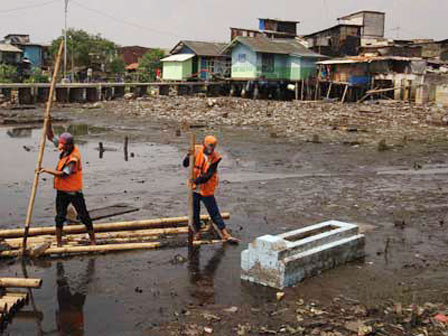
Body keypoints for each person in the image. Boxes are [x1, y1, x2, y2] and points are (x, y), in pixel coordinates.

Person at [39, 122, 96, 247]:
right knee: (59, 217)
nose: (61, 147)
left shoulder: (73, 158)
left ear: (70, 145)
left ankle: (93, 241)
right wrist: (48, 121)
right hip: (62, 191)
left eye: (64, 145)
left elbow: (64, 174)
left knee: (84, 216)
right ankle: (59, 243)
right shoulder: (65, 149)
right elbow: (50, 136)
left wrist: (46, 170)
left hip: (74, 192)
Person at [183, 135, 238, 243]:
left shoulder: (215, 158)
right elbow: (185, 164)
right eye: (209, 147)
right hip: (194, 188)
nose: (210, 150)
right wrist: (188, 155)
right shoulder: (196, 150)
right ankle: (197, 232)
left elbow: (208, 175)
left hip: (206, 187)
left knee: (213, 211)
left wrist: (195, 181)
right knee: (194, 211)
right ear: (204, 144)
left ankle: (224, 233)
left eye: (212, 148)